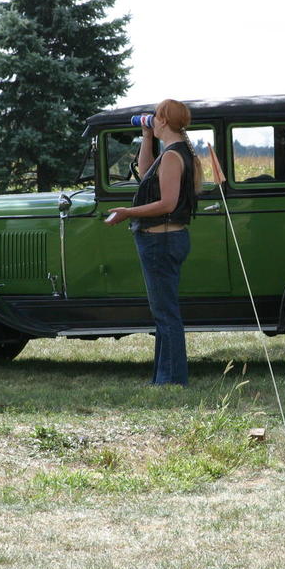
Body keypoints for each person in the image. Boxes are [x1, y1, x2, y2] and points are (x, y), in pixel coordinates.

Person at [104, 99, 204, 385]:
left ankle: (172, 379)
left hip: (162, 240)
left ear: (163, 120)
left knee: (166, 314)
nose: (152, 121)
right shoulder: (175, 152)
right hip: (166, 239)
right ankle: (164, 377)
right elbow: (146, 171)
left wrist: (128, 212)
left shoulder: (172, 156)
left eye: (155, 118)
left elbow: (167, 203)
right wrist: (146, 136)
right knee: (163, 312)